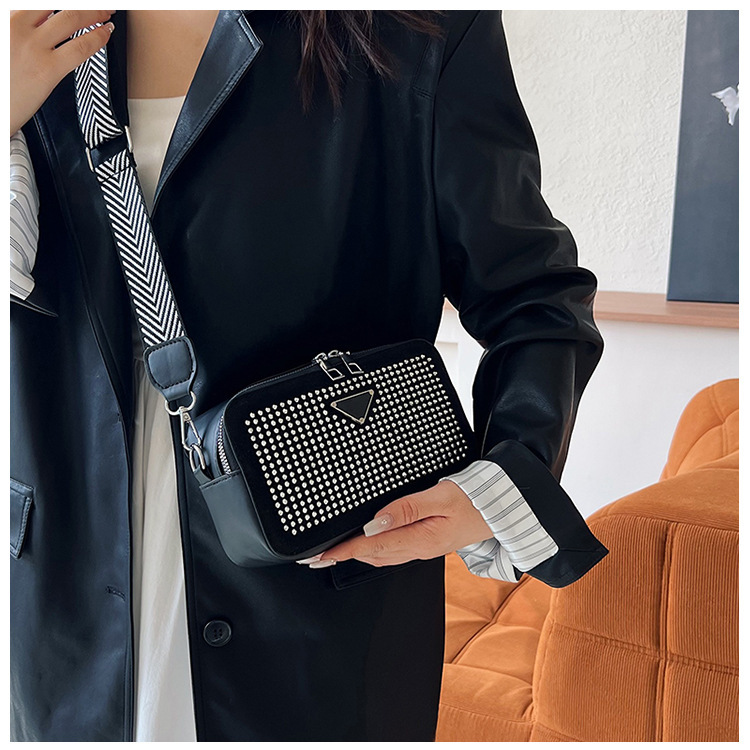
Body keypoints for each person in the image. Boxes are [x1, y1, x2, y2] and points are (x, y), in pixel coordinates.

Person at [10, 9, 609, 742]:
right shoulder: (24, 31)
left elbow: (534, 297)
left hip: (320, 589)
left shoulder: (419, 28)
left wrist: (499, 482)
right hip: (70, 589)